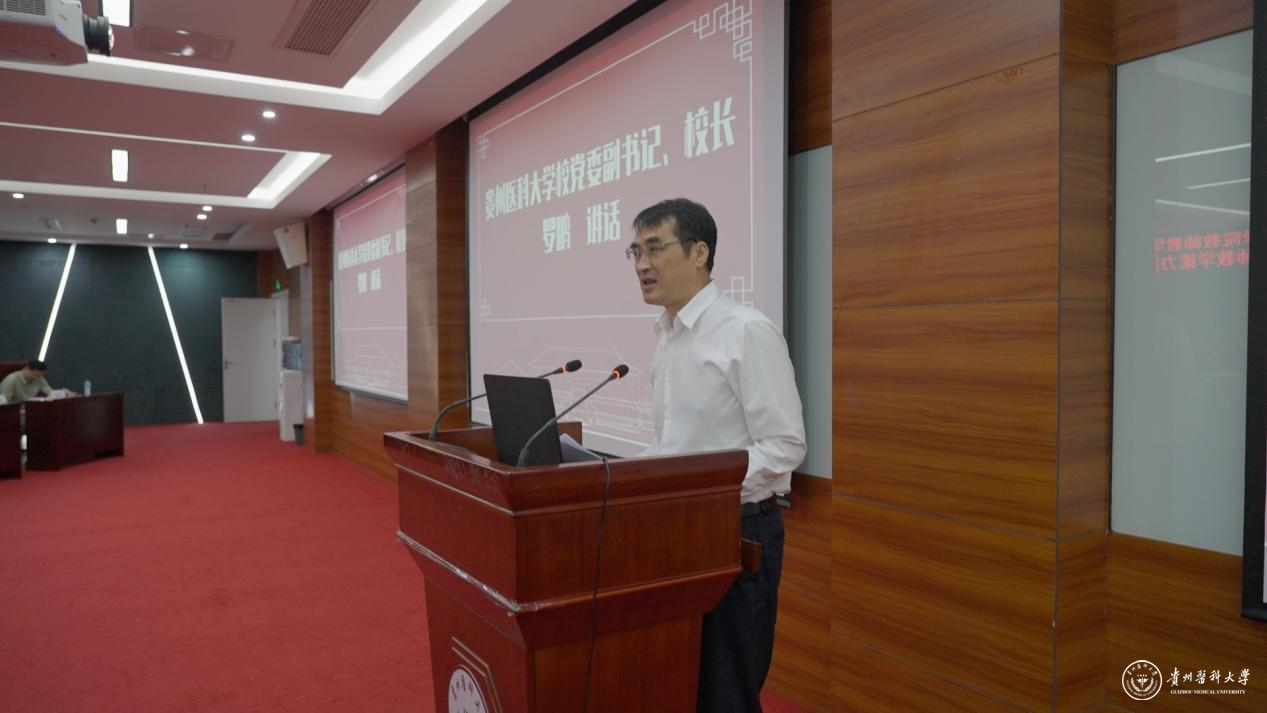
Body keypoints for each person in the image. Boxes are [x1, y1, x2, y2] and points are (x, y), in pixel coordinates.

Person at [629, 198, 806, 713]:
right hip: (678, 530)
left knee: (727, 692)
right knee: (684, 683)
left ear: (699, 252)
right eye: (635, 252)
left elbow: (785, 445)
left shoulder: (745, 331)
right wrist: (618, 472)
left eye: (654, 249)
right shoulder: (667, 337)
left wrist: (702, 487)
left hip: (737, 533)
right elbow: (675, 447)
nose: (642, 265)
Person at [0, 359, 78, 404]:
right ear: (27, 369)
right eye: (36, 375)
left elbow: (51, 393)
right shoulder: (12, 379)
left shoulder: (39, 378)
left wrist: (65, 393)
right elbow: (5, 400)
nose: (37, 378)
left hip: (29, 409)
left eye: (40, 375)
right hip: (13, 411)